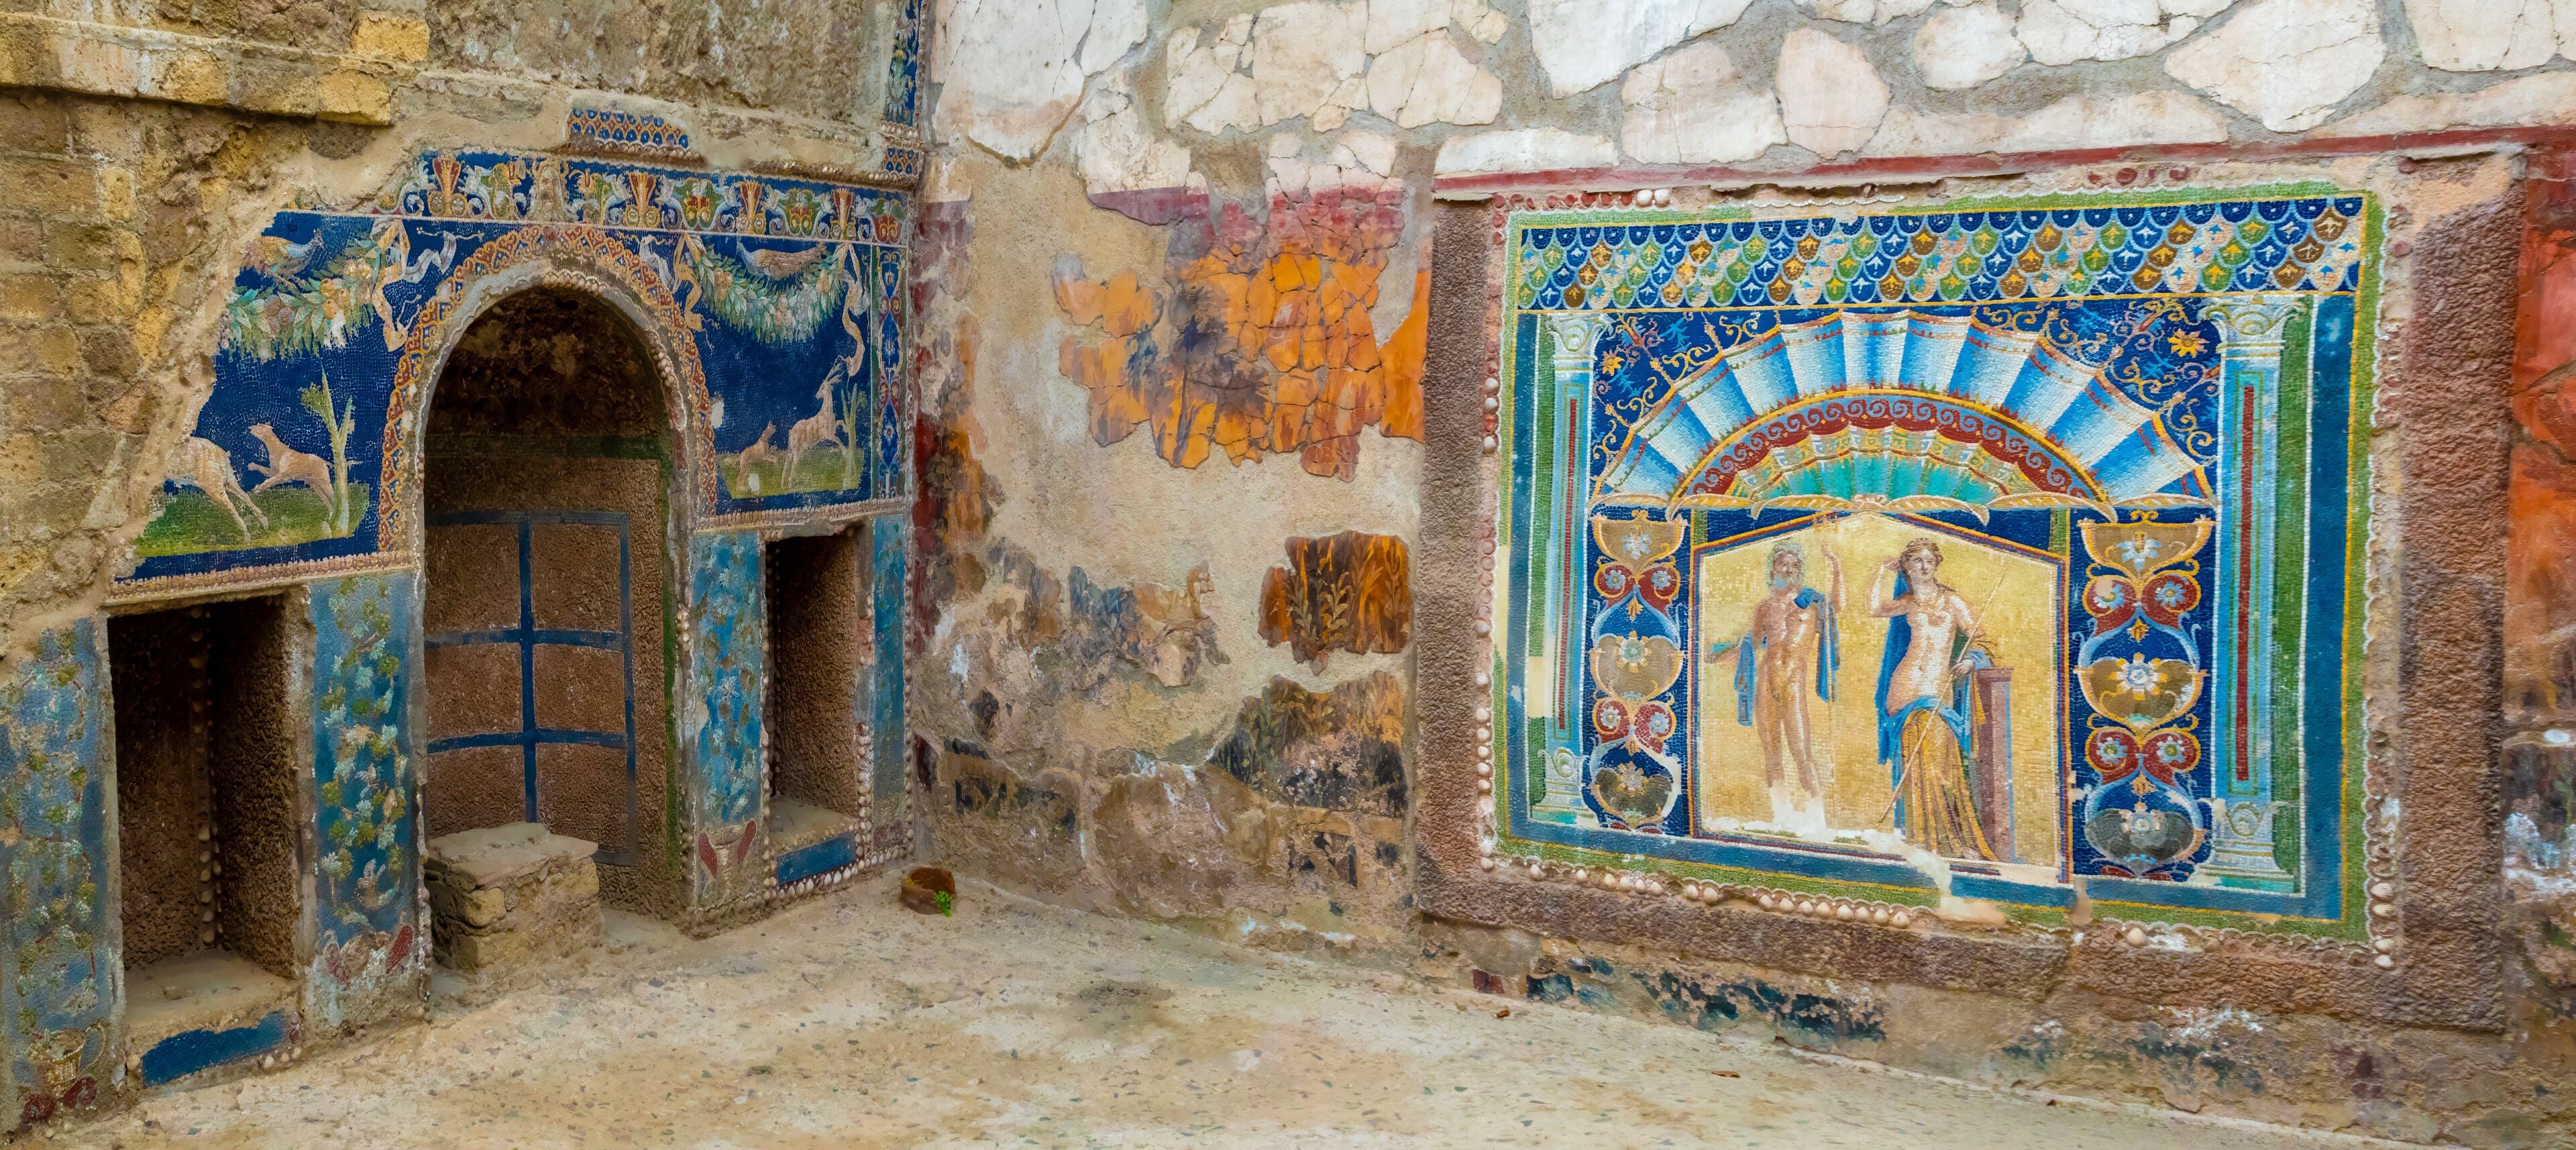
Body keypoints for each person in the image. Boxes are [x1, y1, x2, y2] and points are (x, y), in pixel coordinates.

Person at [1870, 537, 1999, 860]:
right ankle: (1921, 838)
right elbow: (1873, 609)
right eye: (1917, 561)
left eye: (1930, 560)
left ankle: (1947, 839)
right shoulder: (1908, 603)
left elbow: (1982, 637)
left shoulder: (1952, 602)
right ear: (1907, 568)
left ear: (1937, 564)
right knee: (1914, 768)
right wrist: (1879, 573)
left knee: (1941, 767)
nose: (1924, 566)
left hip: (1935, 690)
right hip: (1904, 689)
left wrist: (1973, 660)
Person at [1709, 541, 1839, 835]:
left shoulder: (1811, 602)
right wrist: (1719, 655)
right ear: (1773, 570)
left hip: (1793, 679)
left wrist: (1835, 565)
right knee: (1772, 751)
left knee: (1801, 750)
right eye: (1784, 564)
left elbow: (1837, 608)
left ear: (1800, 572)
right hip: (1766, 679)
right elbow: (1752, 643)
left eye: (1795, 566)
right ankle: (1781, 814)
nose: (1789, 570)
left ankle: (1817, 817)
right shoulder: (1765, 608)